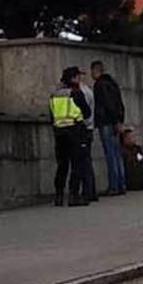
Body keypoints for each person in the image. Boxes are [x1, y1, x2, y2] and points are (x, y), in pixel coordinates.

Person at [50, 67, 92, 207]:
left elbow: (52, 115)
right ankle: (74, 196)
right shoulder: (76, 93)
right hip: (75, 131)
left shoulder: (54, 94)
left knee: (62, 165)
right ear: (73, 78)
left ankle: (59, 196)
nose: (80, 79)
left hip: (59, 133)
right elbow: (87, 112)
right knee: (76, 164)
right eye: (78, 77)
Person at [91, 60, 126, 196]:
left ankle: (114, 186)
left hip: (106, 121)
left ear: (95, 70)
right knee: (117, 154)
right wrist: (119, 120)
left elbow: (106, 104)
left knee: (110, 154)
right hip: (115, 121)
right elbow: (119, 104)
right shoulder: (113, 84)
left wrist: (110, 119)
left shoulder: (99, 85)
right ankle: (121, 184)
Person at [78, 73, 98, 202]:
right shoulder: (88, 90)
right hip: (88, 128)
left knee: (84, 162)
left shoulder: (83, 92)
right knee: (87, 161)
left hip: (84, 129)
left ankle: (88, 191)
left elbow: (84, 112)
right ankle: (91, 190)